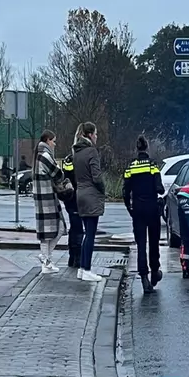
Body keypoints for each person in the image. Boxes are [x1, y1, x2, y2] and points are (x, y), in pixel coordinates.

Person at [123, 135, 164, 294]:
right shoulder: (153, 166)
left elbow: (125, 192)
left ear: (137, 149)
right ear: (147, 148)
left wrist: (130, 208)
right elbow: (159, 188)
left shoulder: (130, 167)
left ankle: (144, 279)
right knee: (154, 242)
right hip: (152, 208)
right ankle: (155, 271)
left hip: (138, 209)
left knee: (141, 244)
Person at [72, 121, 104, 282]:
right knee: (91, 233)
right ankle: (86, 269)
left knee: (86, 232)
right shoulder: (92, 151)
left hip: (80, 193)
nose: (97, 137)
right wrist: (103, 189)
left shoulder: (76, 152)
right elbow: (96, 177)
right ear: (90, 135)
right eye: (96, 134)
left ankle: (81, 269)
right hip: (91, 193)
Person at [32, 130, 67, 274]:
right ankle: (46, 259)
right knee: (57, 229)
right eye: (53, 140)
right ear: (47, 140)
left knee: (47, 232)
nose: (54, 144)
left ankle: (46, 260)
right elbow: (58, 174)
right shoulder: (45, 155)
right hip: (47, 197)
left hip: (42, 197)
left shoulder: (38, 154)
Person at [61, 126, 84, 269]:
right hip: (79, 198)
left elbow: (66, 177)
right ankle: (77, 258)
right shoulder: (80, 158)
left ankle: (72, 257)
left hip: (70, 198)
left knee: (74, 228)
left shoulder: (68, 159)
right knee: (78, 229)